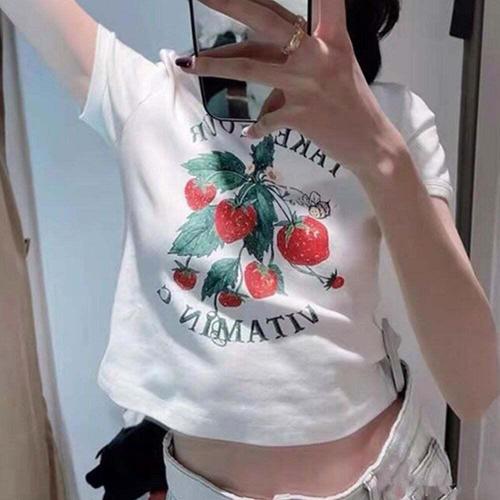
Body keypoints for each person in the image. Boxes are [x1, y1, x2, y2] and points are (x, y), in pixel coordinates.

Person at [2, 0, 498, 498]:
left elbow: (474, 391)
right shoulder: (149, 96)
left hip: (383, 482)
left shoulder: (393, 121)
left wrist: (381, 157)